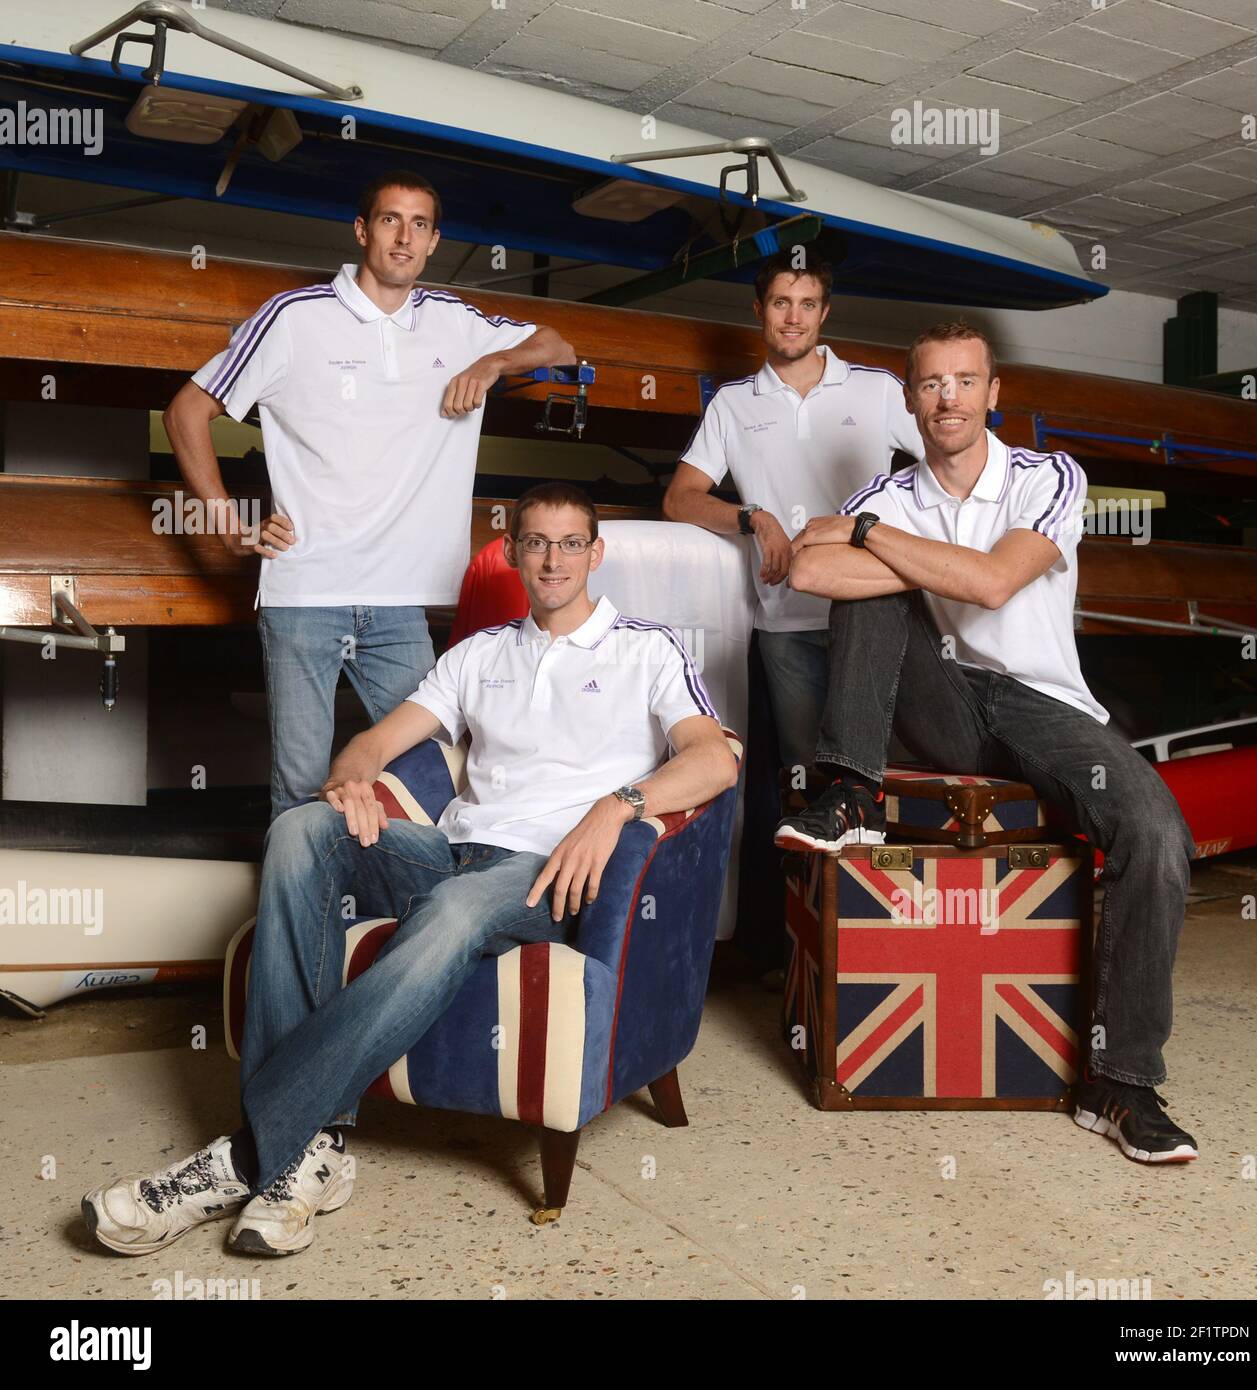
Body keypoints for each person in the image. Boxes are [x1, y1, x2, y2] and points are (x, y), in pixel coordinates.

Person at [82, 482, 737, 1256]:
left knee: (455, 909)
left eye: (570, 544)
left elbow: (714, 759)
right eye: (536, 542)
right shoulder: (479, 654)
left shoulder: (646, 647)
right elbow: (375, 744)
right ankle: (309, 1155)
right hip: (451, 848)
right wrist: (351, 780)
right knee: (301, 831)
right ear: (514, 552)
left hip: (542, 872)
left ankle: (249, 1155)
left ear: (595, 554)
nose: (553, 559)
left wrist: (616, 805)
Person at [777, 320, 1198, 1165]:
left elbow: (997, 580)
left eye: (965, 381)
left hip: (1044, 705)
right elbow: (804, 569)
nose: (948, 399)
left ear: (993, 393)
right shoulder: (894, 493)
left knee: (1157, 834)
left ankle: (1118, 1082)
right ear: (909, 399)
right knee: (874, 598)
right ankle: (850, 792)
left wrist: (868, 539)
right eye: (931, 384)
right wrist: (902, 557)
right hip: (943, 701)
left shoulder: (1046, 476)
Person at [164, 170, 576, 821]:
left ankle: (390, 923)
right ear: (363, 230)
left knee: (425, 776)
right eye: (390, 220)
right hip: (305, 593)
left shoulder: (454, 323)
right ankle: (302, 926)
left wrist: (491, 364)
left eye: (419, 224)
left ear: (435, 240)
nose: (403, 237)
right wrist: (226, 520)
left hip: (397, 604)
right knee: (301, 790)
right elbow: (186, 411)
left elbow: (558, 343)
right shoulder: (293, 318)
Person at [663, 246, 922, 770]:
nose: (794, 317)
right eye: (782, 302)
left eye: (807, 304)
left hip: (872, 611)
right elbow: (679, 499)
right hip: (784, 621)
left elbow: (948, 466)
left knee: (890, 773)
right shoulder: (733, 403)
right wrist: (753, 516)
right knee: (804, 777)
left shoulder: (879, 389)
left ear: (824, 313)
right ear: (759, 310)